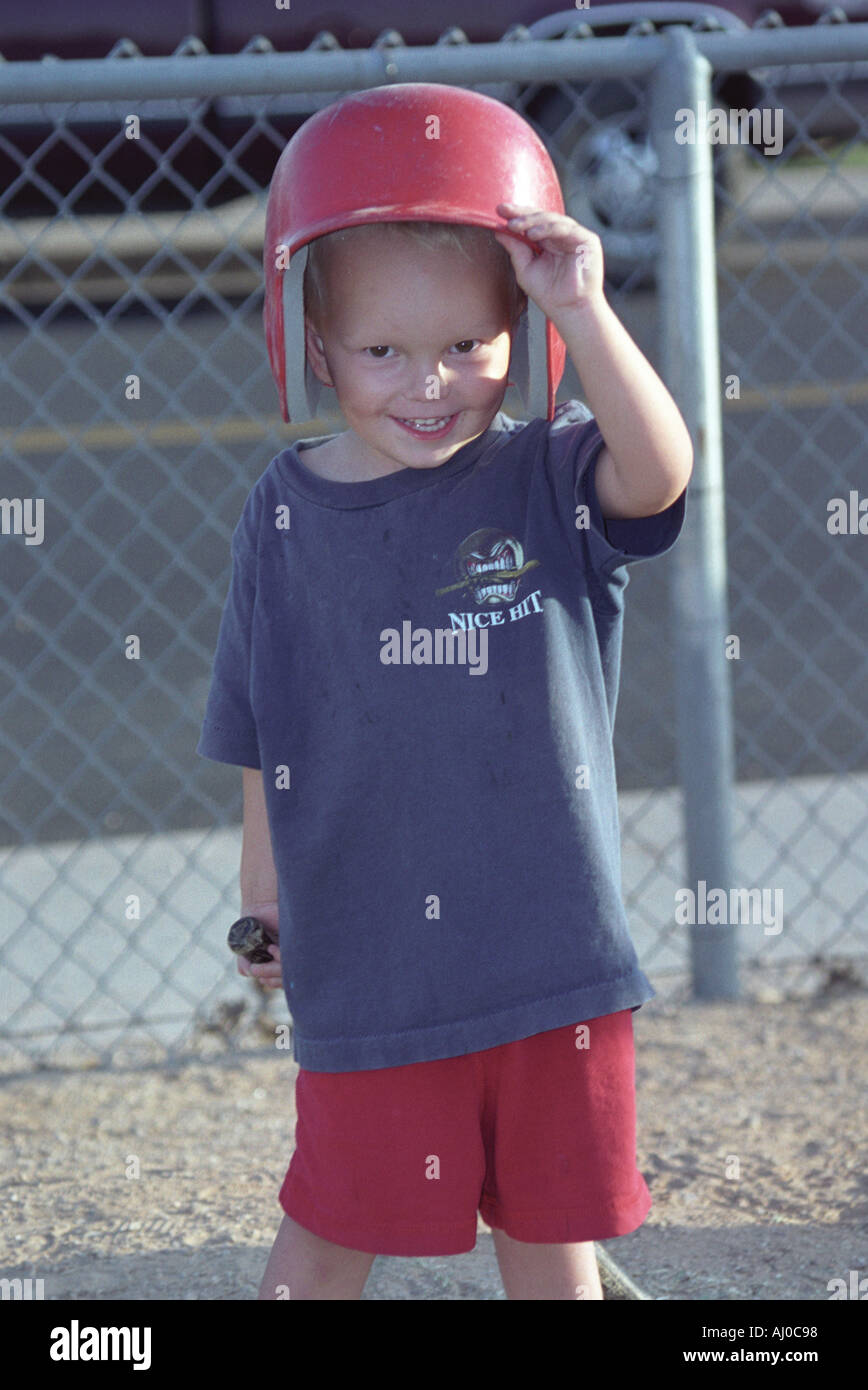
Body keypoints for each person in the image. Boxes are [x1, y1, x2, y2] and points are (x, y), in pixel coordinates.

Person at [197, 84, 693, 1300]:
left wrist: (579, 300)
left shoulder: (551, 472)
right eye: (382, 351)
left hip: (548, 958)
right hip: (373, 967)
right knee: (328, 1228)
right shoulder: (282, 513)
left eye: (469, 344)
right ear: (315, 349)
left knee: (550, 1238)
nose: (429, 384)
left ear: (517, 335)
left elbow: (664, 469)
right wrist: (265, 898)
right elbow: (265, 720)